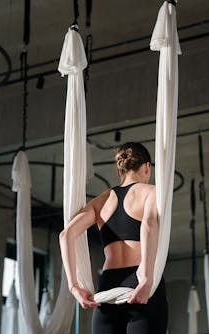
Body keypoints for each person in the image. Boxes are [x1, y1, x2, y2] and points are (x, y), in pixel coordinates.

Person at [59, 142, 168, 334]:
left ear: (120, 172)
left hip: (108, 286)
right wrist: (147, 279)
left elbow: (66, 235)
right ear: (147, 167)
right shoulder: (152, 192)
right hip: (140, 281)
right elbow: (149, 224)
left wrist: (74, 286)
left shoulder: (101, 201)